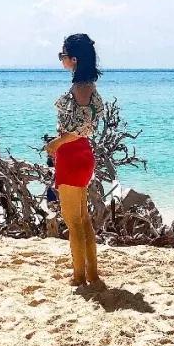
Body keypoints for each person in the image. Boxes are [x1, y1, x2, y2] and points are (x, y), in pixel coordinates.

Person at [44, 34, 105, 287]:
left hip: (71, 154)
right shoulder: (90, 86)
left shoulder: (80, 88)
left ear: (74, 59)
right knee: (83, 219)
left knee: (73, 221)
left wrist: (56, 144)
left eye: (62, 55)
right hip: (82, 154)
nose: (61, 60)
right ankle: (92, 274)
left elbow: (83, 127)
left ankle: (79, 275)